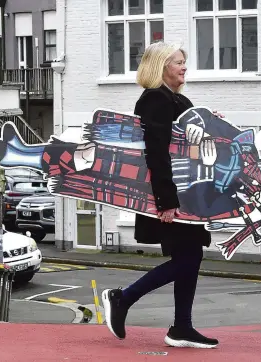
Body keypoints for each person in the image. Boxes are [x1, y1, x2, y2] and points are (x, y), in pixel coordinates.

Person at [101, 42, 220, 349]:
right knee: (188, 257)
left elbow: (188, 145)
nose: (184, 67)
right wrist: (166, 201)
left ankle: (181, 327)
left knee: (189, 257)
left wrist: (211, 124)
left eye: (184, 61)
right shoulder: (156, 100)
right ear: (162, 66)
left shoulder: (177, 100)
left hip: (186, 196)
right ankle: (122, 299)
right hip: (171, 198)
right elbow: (157, 152)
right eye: (179, 62)